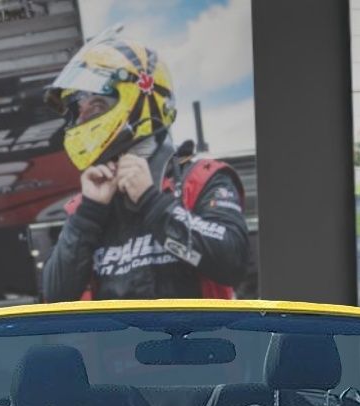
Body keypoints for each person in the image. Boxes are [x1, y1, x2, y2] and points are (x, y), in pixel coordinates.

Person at [40, 27, 250, 302]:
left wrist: (153, 203)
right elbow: (55, 297)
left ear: (135, 100)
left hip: (196, 344)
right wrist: (88, 214)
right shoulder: (87, 207)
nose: (79, 123)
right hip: (118, 346)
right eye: (76, 113)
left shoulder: (199, 180)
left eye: (94, 107)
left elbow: (232, 263)